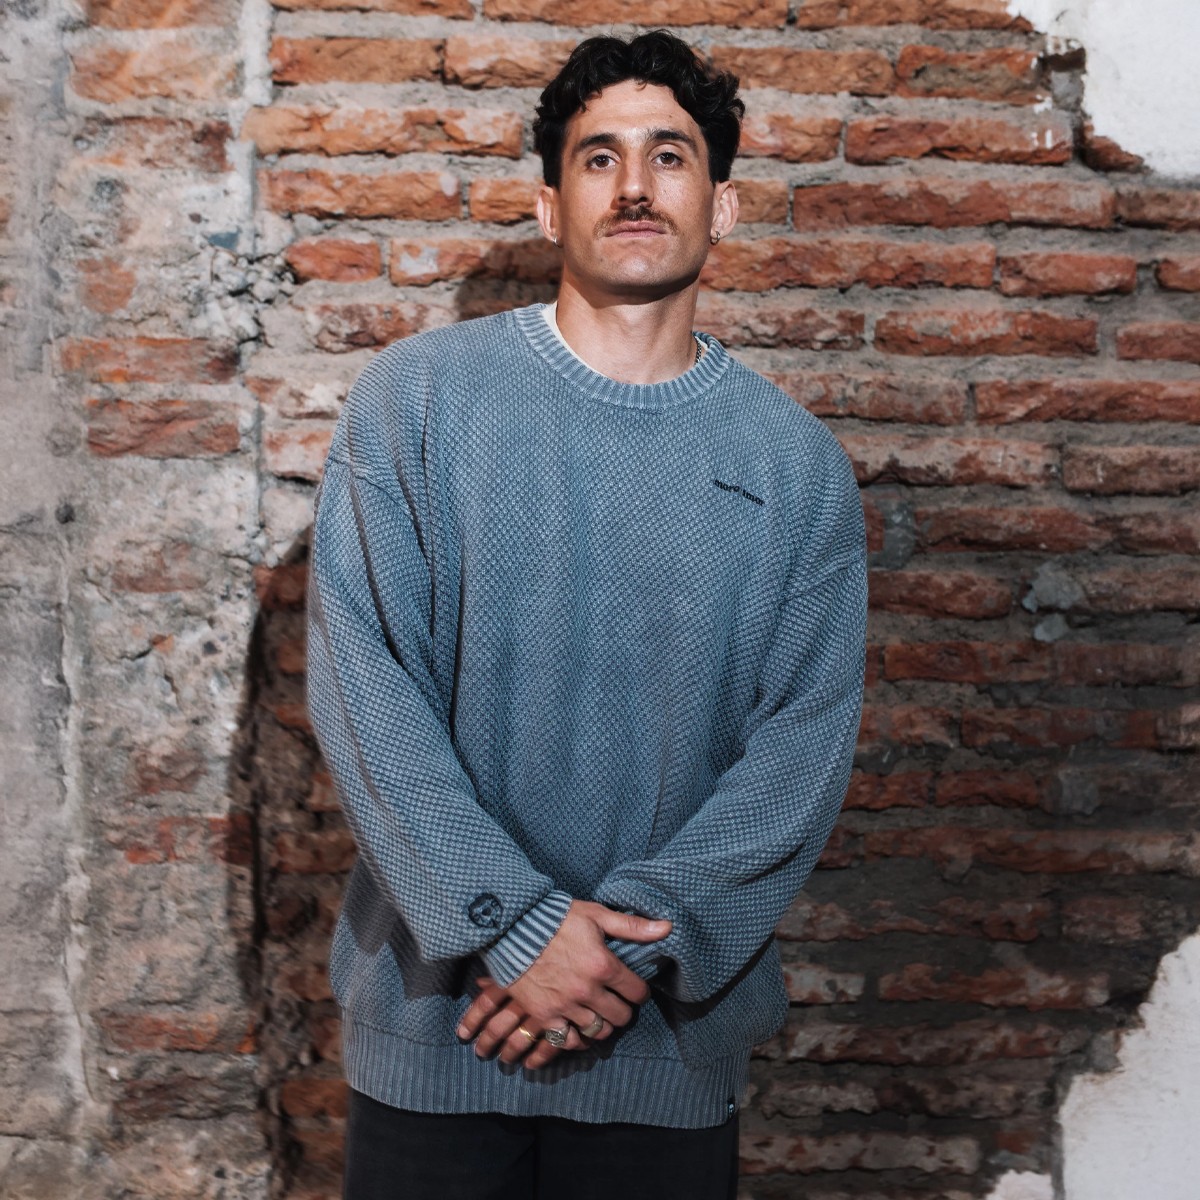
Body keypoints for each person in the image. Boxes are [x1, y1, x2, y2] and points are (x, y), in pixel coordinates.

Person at [304, 27, 868, 1200]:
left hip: (658, 1044)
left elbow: (800, 754)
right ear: (551, 208)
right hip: (438, 1033)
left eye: (671, 155)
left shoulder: (795, 466)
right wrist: (514, 926)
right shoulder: (416, 402)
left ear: (722, 206)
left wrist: (620, 952)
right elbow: (366, 690)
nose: (635, 185)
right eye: (599, 157)